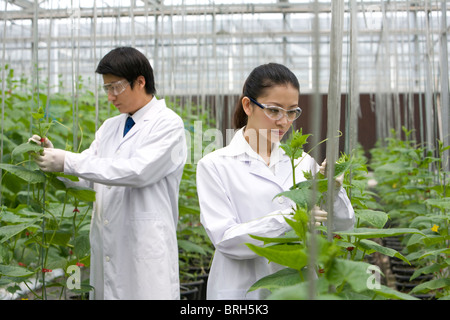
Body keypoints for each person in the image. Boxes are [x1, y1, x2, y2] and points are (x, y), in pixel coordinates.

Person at [30, 47, 187, 300]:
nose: (110, 96)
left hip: (145, 246)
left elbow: (138, 171)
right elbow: (88, 176)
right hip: (109, 243)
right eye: (107, 88)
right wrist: (54, 160)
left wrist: (69, 161)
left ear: (140, 81)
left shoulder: (168, 124)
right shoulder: (110, 127)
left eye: (116, 87)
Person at [196, 63, 355, 300]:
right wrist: (290, 220)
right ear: (248, 105)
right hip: (241, 290)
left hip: (298, 286)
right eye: (274, 110)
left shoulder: (302, 162)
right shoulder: (215, 165)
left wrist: (332, 191)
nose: (284, 121)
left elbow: (343, 226)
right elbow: (226, 239)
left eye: (292, 112)